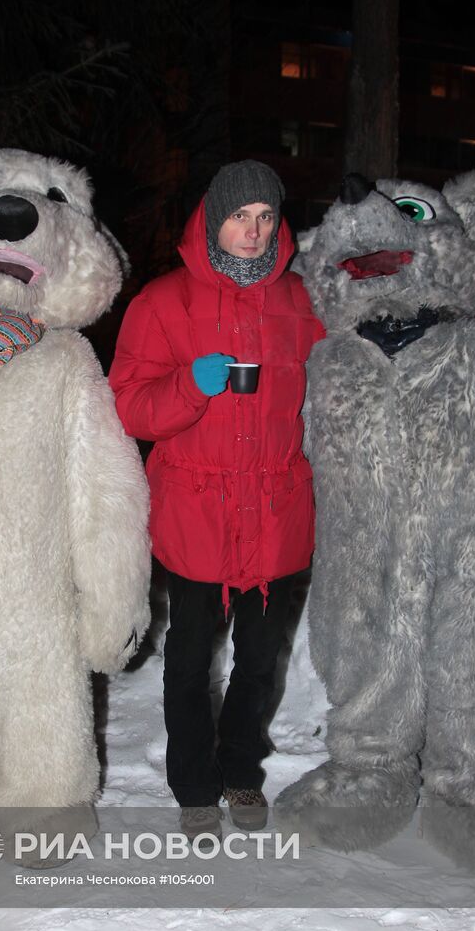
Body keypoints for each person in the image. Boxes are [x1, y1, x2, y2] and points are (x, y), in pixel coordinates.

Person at [109, 160, 324, 837]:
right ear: (211, 218)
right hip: (195, 510)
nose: (252, 231)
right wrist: (189, 387)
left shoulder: (304, 301)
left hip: (279, 509)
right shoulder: (161, 302)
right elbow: (130, 410)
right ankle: (194, 786)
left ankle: (237, 772)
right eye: (239, 216)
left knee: (261, 660)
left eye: (264, 217)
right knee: (189, 660)